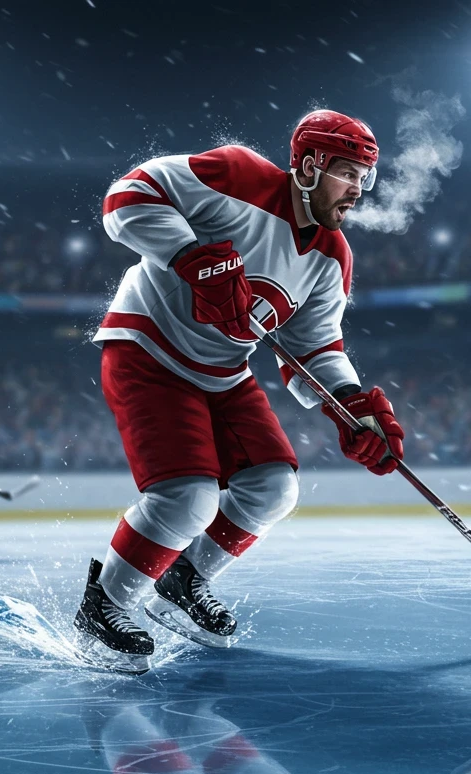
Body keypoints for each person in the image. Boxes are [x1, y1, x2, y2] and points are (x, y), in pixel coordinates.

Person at [74, 110, 405, 671]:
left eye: (365, 177)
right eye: (348, 173)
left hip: (225, 371)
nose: (358, 190)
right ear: (306, 165)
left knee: (275, 489)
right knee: (188, 499)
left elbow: (314, 348)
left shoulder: (333, 257)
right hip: (149, 349)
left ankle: (183, 579)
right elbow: (126, 197)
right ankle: (105, 603)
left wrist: (351, 408)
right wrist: (187, 255)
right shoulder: (238, 174)